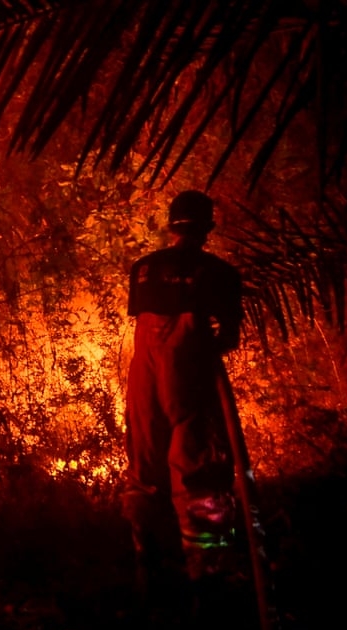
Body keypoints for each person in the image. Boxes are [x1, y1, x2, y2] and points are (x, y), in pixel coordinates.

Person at [123, 190, 244, 597]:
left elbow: (142, 322)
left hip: (142, 377)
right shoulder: (221, 274)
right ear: (207, 228)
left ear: (172, 225)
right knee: (201, 470)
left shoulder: (142, 269)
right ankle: (208, 580)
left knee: (144, 467)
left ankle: (148, 570)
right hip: (189, 376)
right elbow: (227, 337)